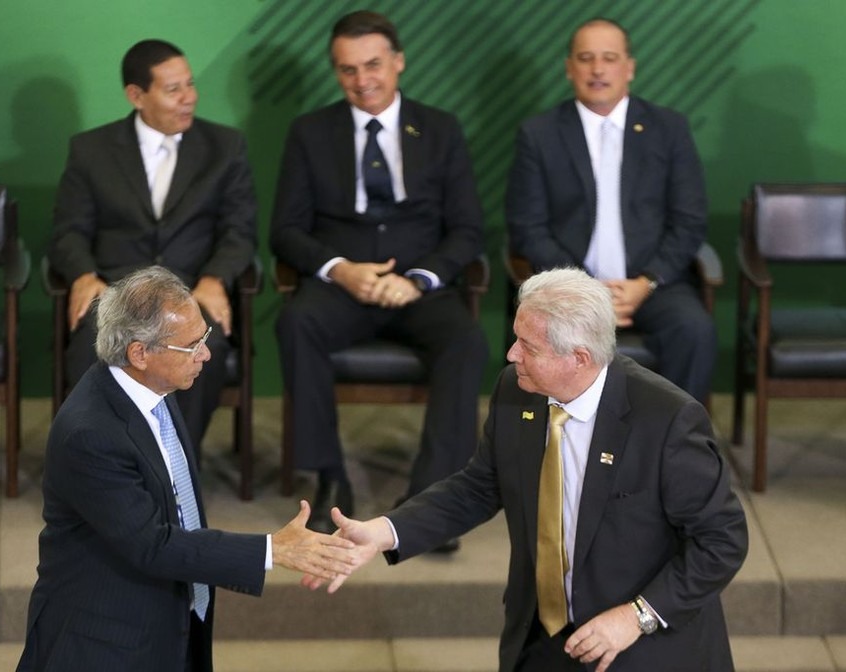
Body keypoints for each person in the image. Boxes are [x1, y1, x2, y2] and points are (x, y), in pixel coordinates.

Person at [314, 268, 748, 671]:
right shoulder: (517, 390)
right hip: (541, 640)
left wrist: (637, 616)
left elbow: (722, 540)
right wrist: (385, 531)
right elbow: (480, 487)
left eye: (528, 347)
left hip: (644, 648)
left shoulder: (666, 421)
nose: (511, 354)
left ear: (578, 357)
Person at [17, 266, 357, 672]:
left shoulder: (156, 389)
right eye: (193, 345)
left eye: (205, 338)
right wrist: (273, 549)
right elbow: (153, 545)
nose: (207, 355)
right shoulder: (90, 435)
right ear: (140, 353)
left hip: (173, 620)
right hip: (105, 643)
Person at [270, 10, 488, 539]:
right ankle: (329, 479)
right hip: (342, 288)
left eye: (373, 65)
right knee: (296, 323)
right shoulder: (310, 132)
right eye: (347, 69)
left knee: (468, 341)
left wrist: (418, 278)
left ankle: (434, 498)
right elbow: (286, 231)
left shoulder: (440, 129)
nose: (362, 80)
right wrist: (340, 270)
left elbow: (467, 230)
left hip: (418, 288)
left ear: (398, 62)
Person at [49, 38, 256, 457]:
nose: (189, 98)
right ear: (136, 95)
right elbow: (68, 231)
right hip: (116, 299)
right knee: (92, 345)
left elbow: (240, 230)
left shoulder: (225, 147)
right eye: (173, 89)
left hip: (191, 299)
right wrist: (84, 275)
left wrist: (216, 280)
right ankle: (97, 468)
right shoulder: (92, 150)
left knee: (203, 348)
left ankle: (177, 466)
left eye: (190, 85)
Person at [505, 18, 715, 406]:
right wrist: (586, 291)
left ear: (629, 67)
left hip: (651, 286)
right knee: (543, 338)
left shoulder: (668, 129)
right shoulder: (540, 134)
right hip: (570, 290)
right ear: (569, 68)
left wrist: (645, 283)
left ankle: (677, 451)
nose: (598, 70)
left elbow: (688, 222)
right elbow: (527, 228)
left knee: (694, 330)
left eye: (609, 58)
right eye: (586, 59)